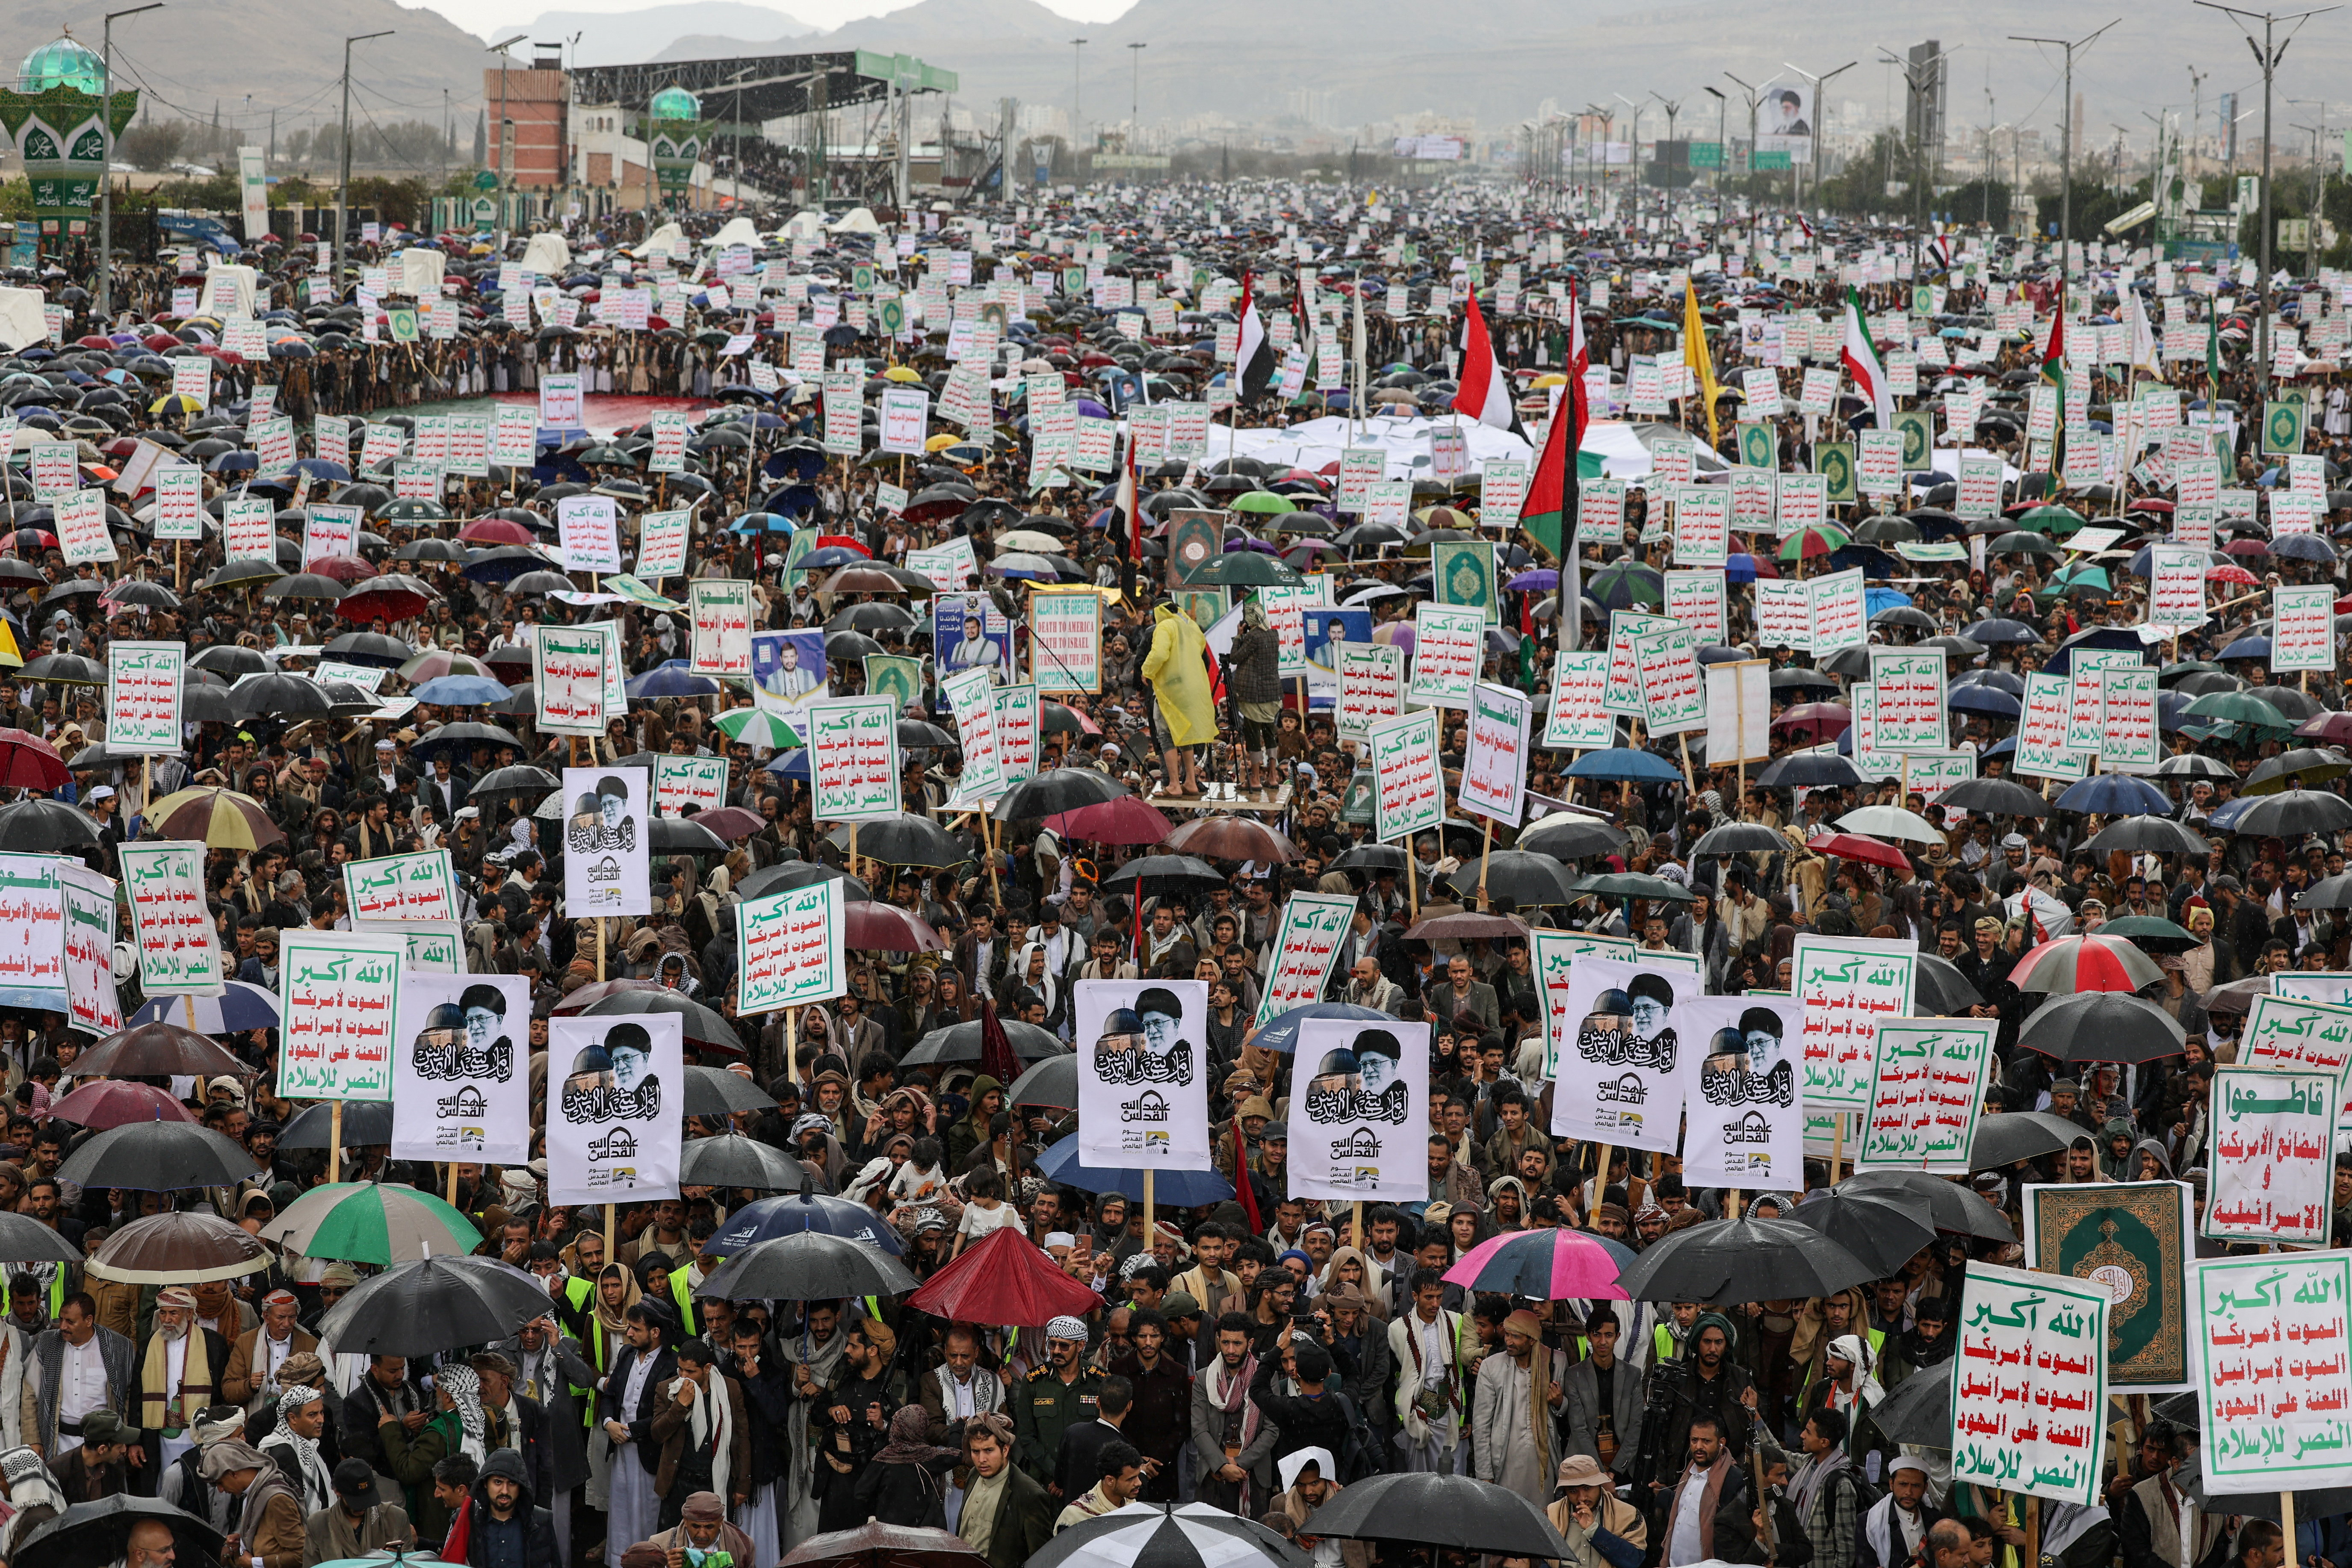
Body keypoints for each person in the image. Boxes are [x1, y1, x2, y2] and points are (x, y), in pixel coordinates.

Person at [1471, 1308, 1568, 1506]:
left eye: (1516, 1336)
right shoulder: (1491, 1367)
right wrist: (1485, 1474)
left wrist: (1559, 1402)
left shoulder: (1556, 1361)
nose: (1509, 1341)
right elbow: (1481, 1426)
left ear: (1532, 1339)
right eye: (1507, 1334)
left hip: (1544, 1462)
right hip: (1505, 1460)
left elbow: (1564, 1412)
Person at [957, 1413, 1053, 1568]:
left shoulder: (1029, 1495)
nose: (981, 1459)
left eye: (989, 1451)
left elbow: (1041, 1558)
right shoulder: (974, 1475)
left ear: (1005, 1450)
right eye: (976, 1452)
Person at [1658, 1413, 1750, 1567]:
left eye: (1706, 1441)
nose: (1699, 1447)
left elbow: (1732, 1536)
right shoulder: (1688, 1473)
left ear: (1721, 1443)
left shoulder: (1733, 1480)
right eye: (1695, 1440)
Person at [202, 1440, 307, 1568]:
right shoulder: (253, 1492)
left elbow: (301, 1554)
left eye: (220, 1483)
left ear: (233, 1473)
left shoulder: (276, 1499)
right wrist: (243, 1540)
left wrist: (255, 1563)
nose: (221, 1490)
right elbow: (271, 1535)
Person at [304, 1456, 414, 1566]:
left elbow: (412, 1563)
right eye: (356, 1501)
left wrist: (399, 1560)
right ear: (337, 1492)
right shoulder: (318, 1524)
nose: (363, 1507)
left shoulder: (396, 1518)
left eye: (367, 1499)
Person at [1550, 1452, 1649, 1568]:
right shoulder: (1551, 1515)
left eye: (1587, 1488)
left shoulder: (1629, 1515)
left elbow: (1634, 1561)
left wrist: (1594, 1531)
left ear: (1599, 1484)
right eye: (1573, 1491)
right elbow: (1542, 1559)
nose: (1582, 1498)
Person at [1052, 1437, 1143, 1532]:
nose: (1139, 1483)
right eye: (1131, 1479)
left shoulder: (1132, 1506)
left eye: (1138, 1476)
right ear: (1110, 1481)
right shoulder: (1075, 1517)